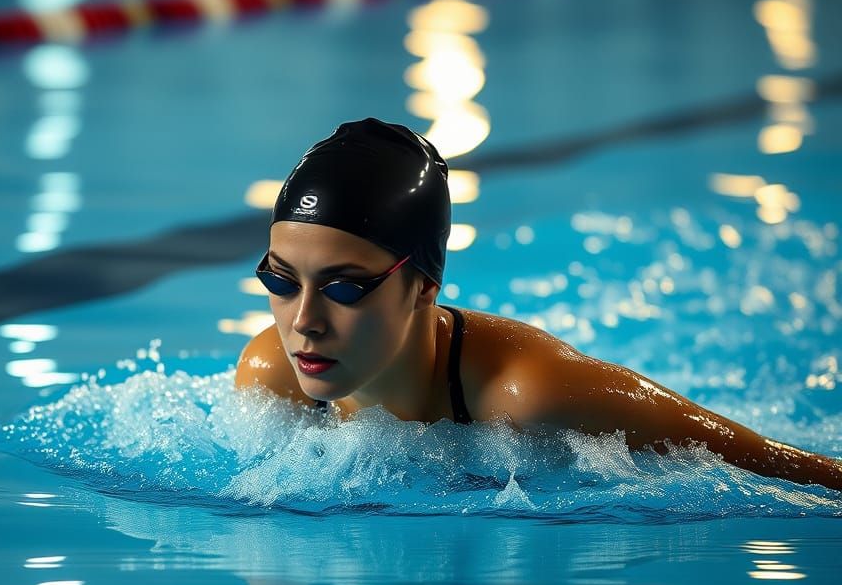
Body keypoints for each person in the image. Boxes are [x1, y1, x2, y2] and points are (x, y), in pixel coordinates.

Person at [235, 118, 842, 491]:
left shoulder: (530, 398)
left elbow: (774, 465)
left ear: (423, 286)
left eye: (343, 287)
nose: (304, 322)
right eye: (281, 281)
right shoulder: (273, 379)